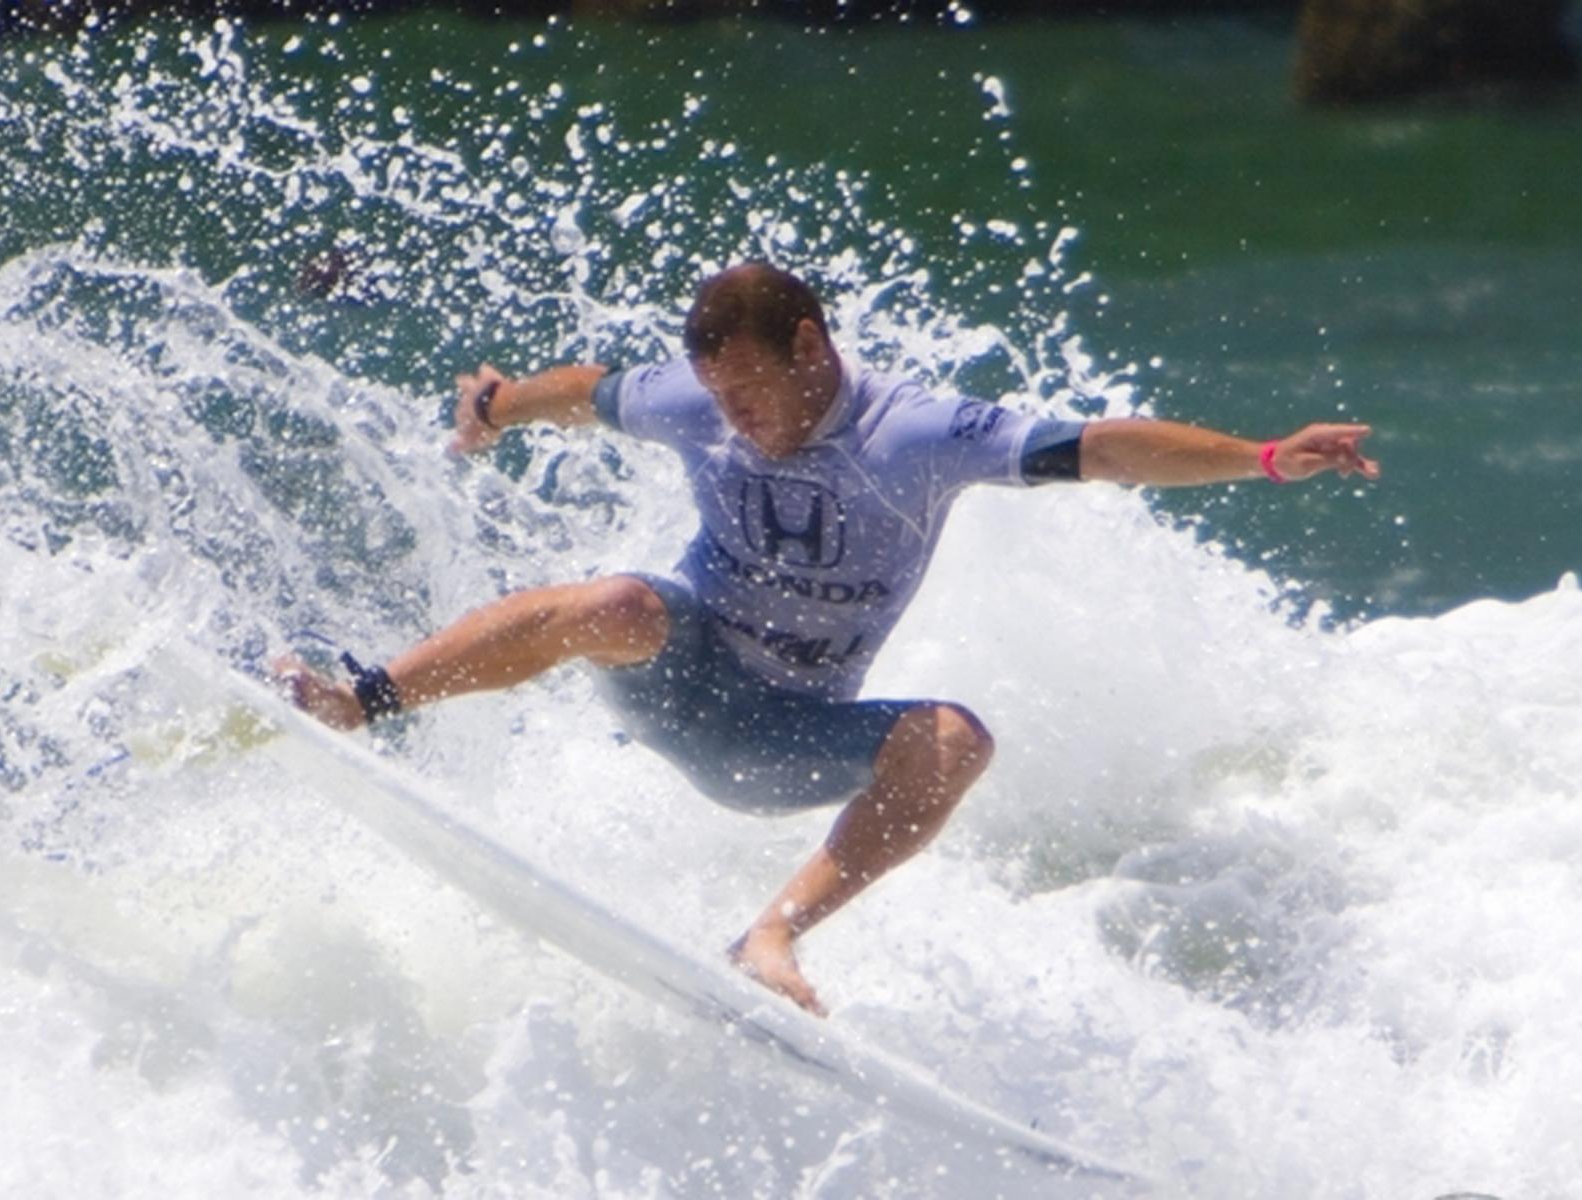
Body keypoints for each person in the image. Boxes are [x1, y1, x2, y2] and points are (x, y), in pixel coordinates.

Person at [273, 262, 1379, 1016]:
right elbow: (591, 392)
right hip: (675, 674)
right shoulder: (696, 400)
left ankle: (773, 936)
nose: (737, 418)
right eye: (719, 396)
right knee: (617, 603)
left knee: (953, 739)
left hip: (783, 741)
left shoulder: (922, 435)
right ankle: (355, 701)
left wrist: (1267, 456)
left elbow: (1104, 449)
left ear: (811, 345)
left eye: (752, 389)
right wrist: (499, 402)